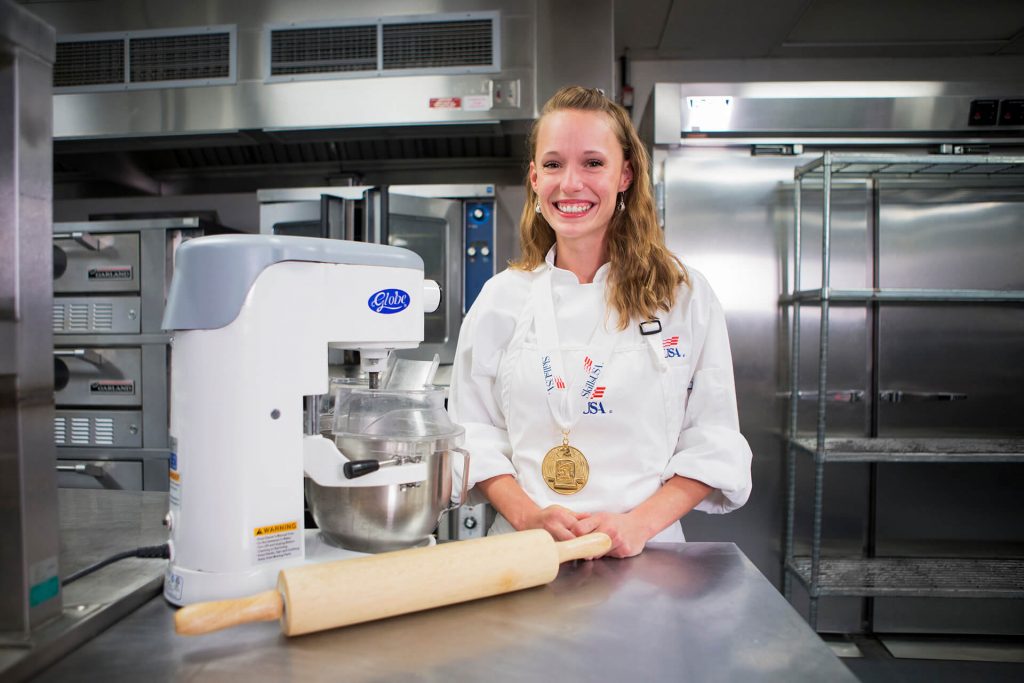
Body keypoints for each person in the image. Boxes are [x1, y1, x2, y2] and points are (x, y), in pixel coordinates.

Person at [448, 85, 752, 558]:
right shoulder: (501, 299)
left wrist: (636, 525)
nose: (570, 184)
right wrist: (529, 517)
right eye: (553, 164)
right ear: (533, 177)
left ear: (625, 174)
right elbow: (473, 434)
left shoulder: (682, 295)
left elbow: (712, 438)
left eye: (592, 163)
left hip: (648, 557)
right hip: (526, 556)